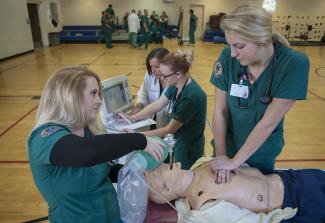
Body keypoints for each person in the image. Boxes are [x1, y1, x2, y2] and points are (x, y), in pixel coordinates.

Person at [27, 66, 164, 223]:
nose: (99, 101)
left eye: (99, 94)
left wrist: (136, 172)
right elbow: (88, 153)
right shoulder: (44, 137)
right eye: (93, 93)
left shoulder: (88, 129)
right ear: (70, 96)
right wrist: (139, 140)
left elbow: (100, 171)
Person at [209, 4, 310, 180]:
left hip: (261, 152)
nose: (233, 53)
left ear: (262, 39)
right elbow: (220, 111)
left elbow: (268, 123)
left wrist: (234, 163)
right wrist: (221, 156)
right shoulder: (227, 57)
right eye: (230, 45)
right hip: (226, 146)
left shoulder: (293, 64)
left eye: (239, 46)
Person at [145, 160, 325, 222]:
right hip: (297, 203)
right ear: (166, 189)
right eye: (157, 172)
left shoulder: (201, 164)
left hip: (292, 178)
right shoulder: (203, 204)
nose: (160, 165)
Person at [126, 51, 207, 170]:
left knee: (182, 179)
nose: (162, 78)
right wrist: (133, 118)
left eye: (164, 76)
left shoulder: (190, 96)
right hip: (177, 141)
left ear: (178, 74)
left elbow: (169, 129)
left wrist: (138, 136)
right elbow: (158, 104)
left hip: (188, 148)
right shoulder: (175, 84)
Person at [131, 48, 169, 129]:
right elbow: (143, 93)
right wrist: (140, 105)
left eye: (157, 66)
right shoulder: (149, 75)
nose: (153, 70)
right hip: (152, 122)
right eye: (151, 66)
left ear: (168, 64)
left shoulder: (174, 82)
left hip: (168, 129)